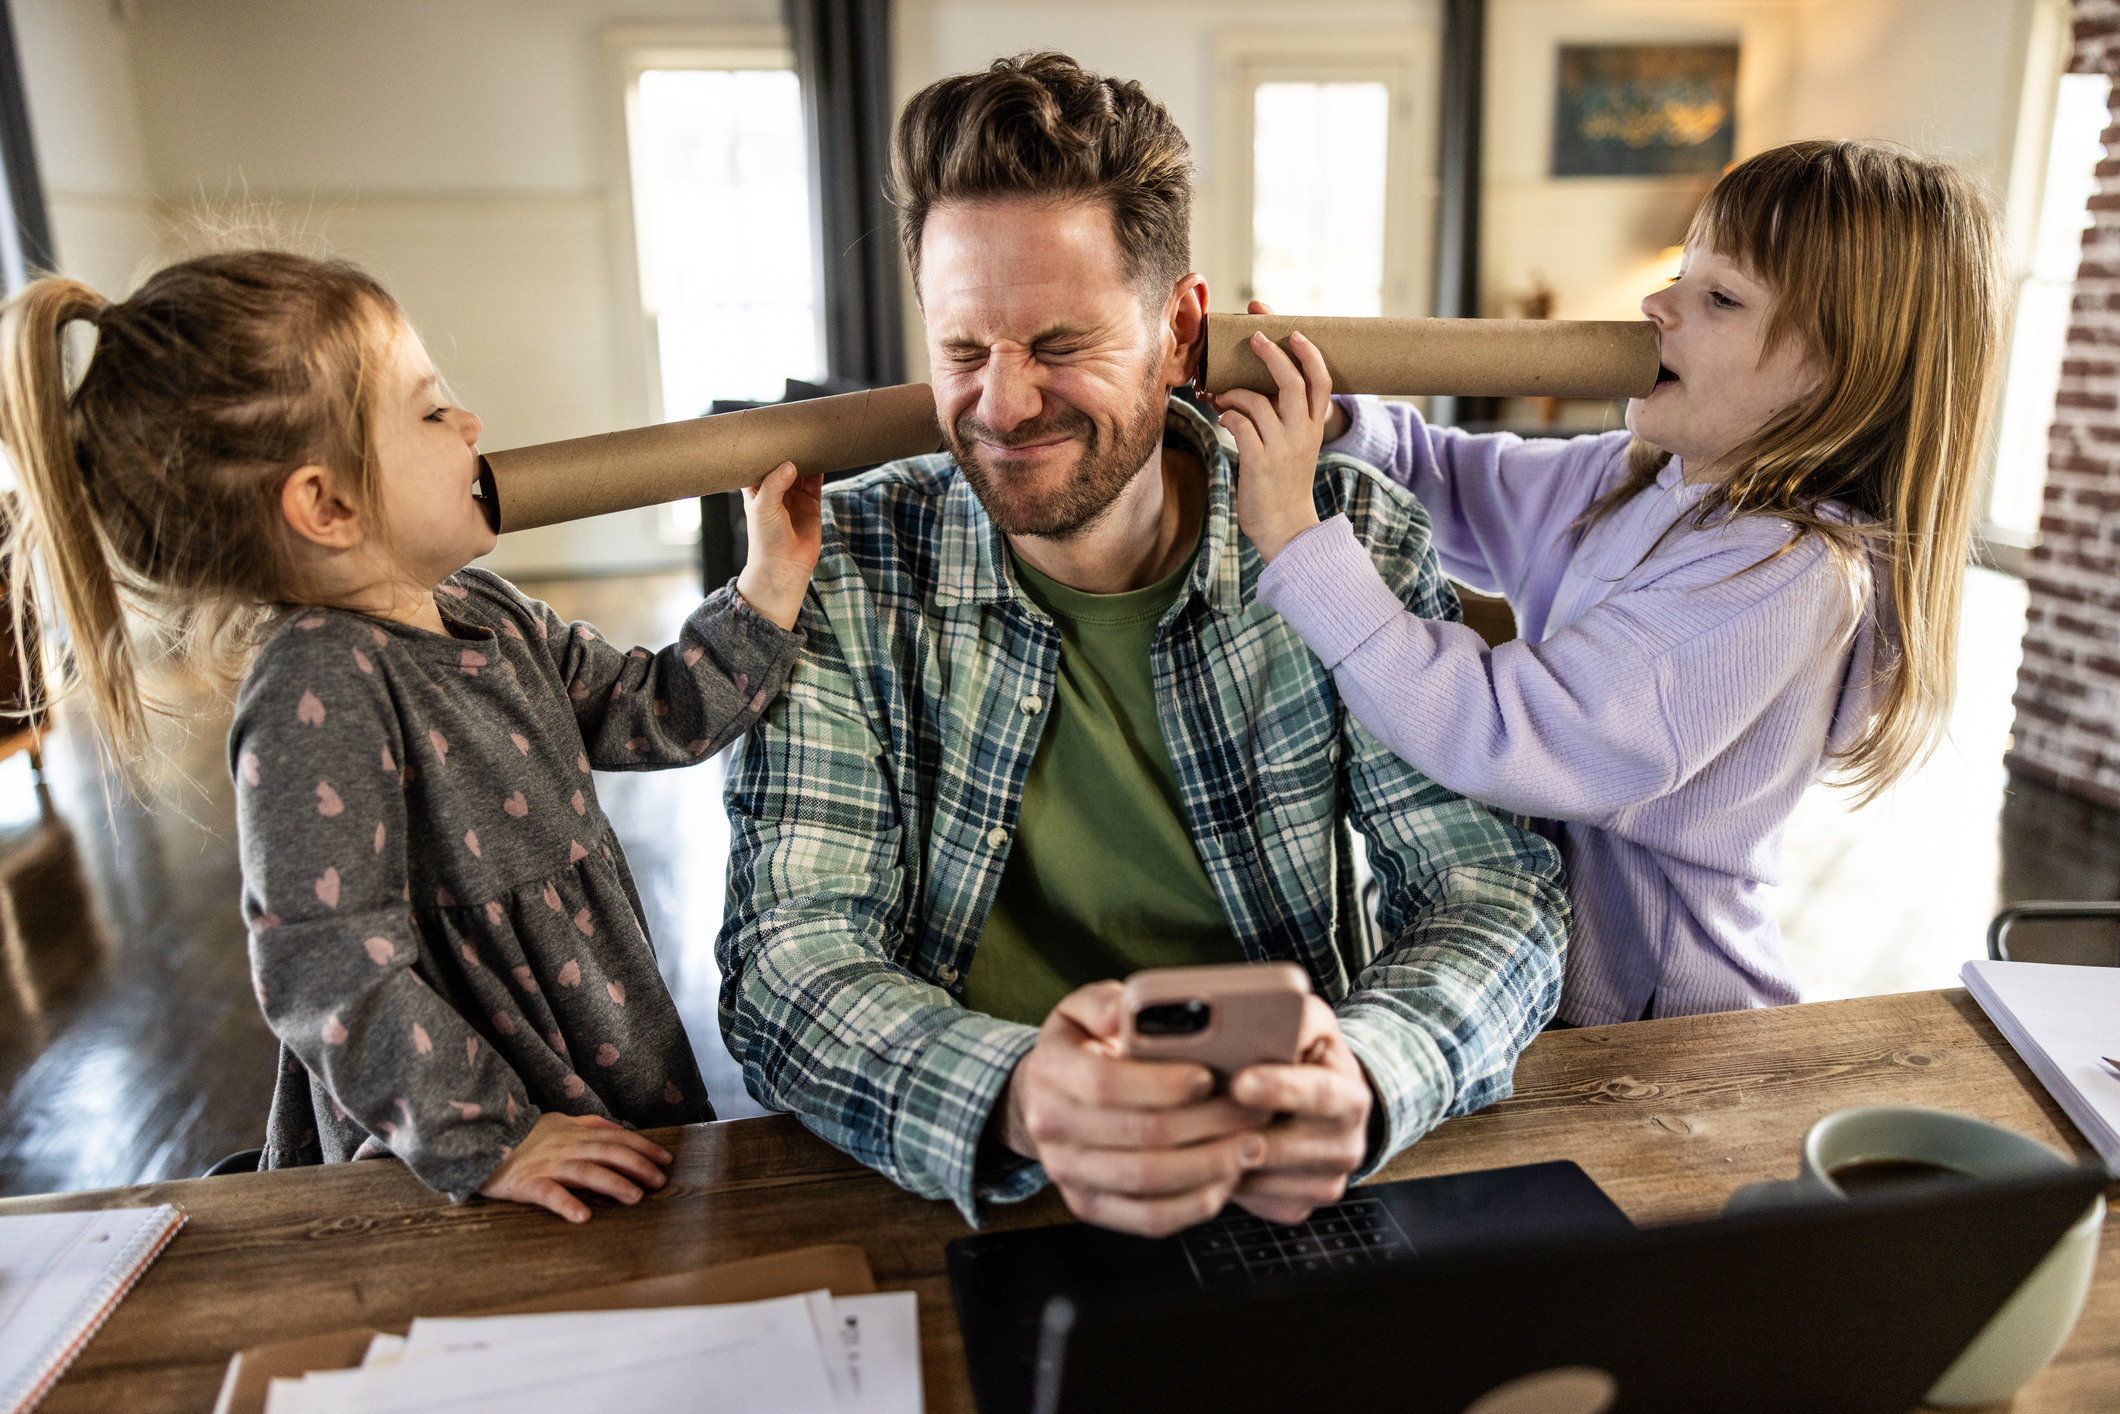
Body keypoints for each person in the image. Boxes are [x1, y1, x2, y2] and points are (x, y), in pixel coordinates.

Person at [718, 53, 1569, 1235]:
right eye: (962, 350)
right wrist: (1022, 1097)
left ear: (1178, 331)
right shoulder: (841, 564)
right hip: (973, 1175)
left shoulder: (1344, 539)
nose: (1002, 405)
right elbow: (785, 955)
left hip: (1279, 1167)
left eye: (1057, 343)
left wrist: (1371, 1073)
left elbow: (1487, 891)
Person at [0, 251, 824, 1221]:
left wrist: (768, 581)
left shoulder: (489, 611)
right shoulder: (318, 683)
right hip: (455, 1128)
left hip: (589, 1033)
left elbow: (652, 710)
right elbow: (325, 963)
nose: (470, 423)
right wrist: (488, 1135)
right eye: (431, 412)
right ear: (326, 505)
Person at [1222, 139, 2003, 1026]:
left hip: (1661, 1033)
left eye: (1719, 297)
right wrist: (1334, 421)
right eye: (1679, 275)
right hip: (1545, 993)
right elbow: (1452, 479)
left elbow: (1503, 732)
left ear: (1845, 373)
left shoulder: (1784, 576)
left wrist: (1296, 538)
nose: (1655, 305)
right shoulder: (1637, 475)